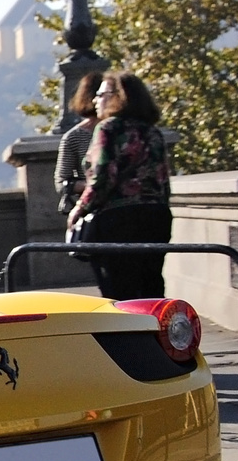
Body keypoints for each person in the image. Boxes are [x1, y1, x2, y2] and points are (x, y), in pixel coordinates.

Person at [69, 71, 172, 299]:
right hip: (157, 217)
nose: (95, 100)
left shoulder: (108, 128)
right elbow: (164, 181)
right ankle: (156, 332)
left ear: (117, 97)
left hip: (119, 220)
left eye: (101, 94)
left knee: (119, 290)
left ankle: (127, 334)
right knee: (151, 286)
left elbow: (103, 177)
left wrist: (80, 209)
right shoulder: (152, 131)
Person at [56, 72, 103, 216]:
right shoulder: (74, 137)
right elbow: (61, 182)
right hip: (93, 209)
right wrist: (93, 186)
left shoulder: (124, 131)